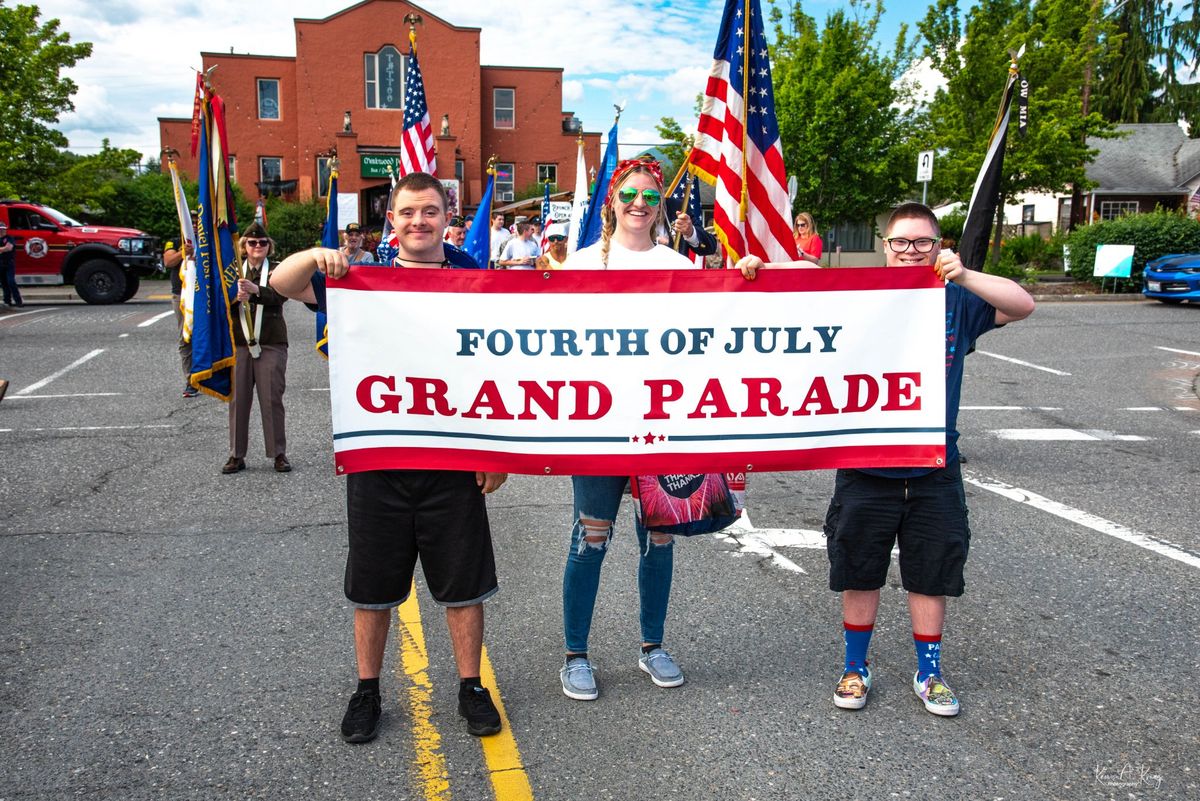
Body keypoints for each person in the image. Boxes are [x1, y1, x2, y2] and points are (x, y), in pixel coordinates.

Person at [738, 202, 1035, 716]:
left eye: (923, 242)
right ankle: (855, 667)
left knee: (931, 570)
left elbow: (1023, 303)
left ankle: (931, 671)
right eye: (901, 242)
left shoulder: (956, 299)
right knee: (860, 568)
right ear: (886, 246)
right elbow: (807, 275)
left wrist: (962, 272)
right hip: (866, 462)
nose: (911, 251)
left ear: (938, 246)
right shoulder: (863, 294)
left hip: (933, 465)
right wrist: (759, 268)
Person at [268, 171, 508, 743]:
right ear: (391, 220)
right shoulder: (361, 276)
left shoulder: (475, 276)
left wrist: (496, 450)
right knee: (373, 587)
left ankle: (471, 686)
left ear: (447, 216)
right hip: (379, 455)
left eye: (429, 211)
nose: (419, 222)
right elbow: (280, 283)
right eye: (407, 212)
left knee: (463, 584)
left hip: (454, 454)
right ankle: (367, 690)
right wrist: (315, 254)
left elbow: (501, 364)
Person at [557, 158, 700, 702]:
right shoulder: (580, 264)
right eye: (629, 194)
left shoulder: (680, 268)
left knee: (659, 537)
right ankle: (575, 653)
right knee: (590, 536)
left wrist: (749, 276)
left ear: (660, 202)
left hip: (662, 427)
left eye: (649, 195)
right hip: (597, 430)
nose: (638, 204)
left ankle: (652, 646)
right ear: (611, 199)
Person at [223, 222, 291, 475]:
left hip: (271, 341)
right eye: (252, 243)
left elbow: (283, 294)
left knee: (271, 399)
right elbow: (219, 303)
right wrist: (234, 298)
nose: (258, 246)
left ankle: (278, 453)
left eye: (263, 243)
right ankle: (236, 455)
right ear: (244, 247)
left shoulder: (277, 270)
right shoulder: (232, 272)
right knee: (238, 400)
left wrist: (256, 291)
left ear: (268, 246)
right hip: (239, 343)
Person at [163, 226, 197, 398]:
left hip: (206, 295)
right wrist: (184, 251)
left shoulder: (210, 241)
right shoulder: (175, 242)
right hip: (182, 296)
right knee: (186, 337)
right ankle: (191, 381)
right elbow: (168, 261)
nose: (194, 226)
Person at [0, 221, 22, 308]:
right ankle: (7, 301)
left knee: (11, 281)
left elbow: (9, 248)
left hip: (9, 263)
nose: (2, 231)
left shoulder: (9, 238)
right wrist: (3, 249)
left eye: (3, 229)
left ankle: (18, 300)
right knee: (4, 283)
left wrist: (2, 249)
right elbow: (4, 248)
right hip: (0, 264)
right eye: (0, 229)